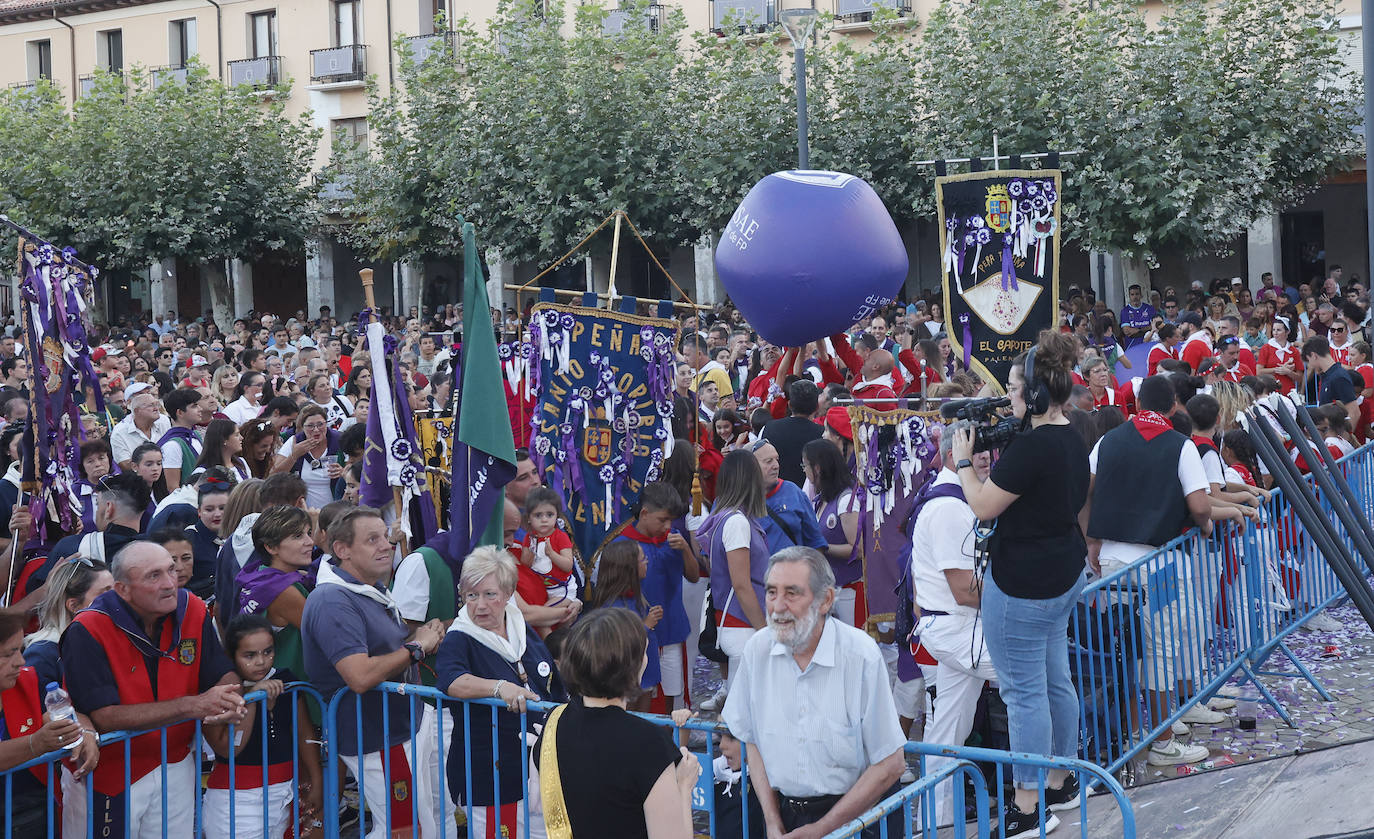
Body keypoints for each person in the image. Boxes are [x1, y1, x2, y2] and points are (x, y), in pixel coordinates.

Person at [949, 329, 1090, 837]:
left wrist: (964, 462)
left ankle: (1028, 805)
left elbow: (984, 505)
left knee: (1024, 694)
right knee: (1056, 681)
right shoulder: (1072, 435)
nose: (1005, 398)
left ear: (1033, 395)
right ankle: (1062, 780)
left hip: (1024, 586)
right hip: (1063, 575)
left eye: (1011, 389)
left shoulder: (1031, 449)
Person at [60, 541, 245, 837]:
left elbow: (220, 672)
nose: (170, 583)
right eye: (153, 576)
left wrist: (227, 697)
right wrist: (192, 706)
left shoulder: (192, 609)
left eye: (171, 570)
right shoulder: (88, 629)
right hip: (111, 772)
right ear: (122, 589)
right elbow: (104, 716)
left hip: (176, 762)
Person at [722, 547, 905, 838]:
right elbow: (751, 740)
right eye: (771, 593)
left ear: (826, 600)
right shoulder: (757, 650)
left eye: (792, 594)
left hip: (860, 816)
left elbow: (891, 764)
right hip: (783, 814)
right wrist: (772, 821)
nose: (778, 607)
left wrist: (823, 829)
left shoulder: (860, 655)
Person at [300, 507, 445, 839]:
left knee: (424, 823)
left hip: (404, 725)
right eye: (372, 540)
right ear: (342, 550)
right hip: (378, 735)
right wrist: (417, 647)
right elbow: (360, 676)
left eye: (385, 536)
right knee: (406, 830)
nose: (386, 545)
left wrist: (426, 635)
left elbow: (383, 649)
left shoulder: (368, 587)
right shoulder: (332, 600)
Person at [533, 608, 698, 839]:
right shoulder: (649, 742)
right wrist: (684, 788)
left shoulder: (554, 721)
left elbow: (540, 805)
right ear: (634, 665)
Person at [908, 421, 1003, 824]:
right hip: (957, 626)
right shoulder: (948, 507)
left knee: (947, 728)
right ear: (953, 452)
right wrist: (1025, 593)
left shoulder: (955, 497)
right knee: (1032, 682)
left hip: (955, 626)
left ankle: (935, 821)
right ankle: (1049, 787)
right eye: (977, 449)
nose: (985, 456)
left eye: (988, 449)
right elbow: (965, 589)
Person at [436, 546, 566, 838]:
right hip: (491, 773)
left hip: (536, 767)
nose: (480, 605)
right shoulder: (460, 638)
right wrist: (498, 688)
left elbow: (551, 682)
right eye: (471, 595)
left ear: (508, 594)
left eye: (489, 594)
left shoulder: (519, 625)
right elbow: (451, 680)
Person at [201, 614, 324, 839]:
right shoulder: (220, 691)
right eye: (249, 655)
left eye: (268, 651)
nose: (260, 661)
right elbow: (229, 748)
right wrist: (253, 698)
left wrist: (316, 781)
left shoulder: (288, 681)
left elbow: (304, 735)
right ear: (231, 655)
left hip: (285, 794)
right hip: (236, 801)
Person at [0, 612, 101, 836]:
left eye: (19, 649)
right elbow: (40, 740)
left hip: (34, 812)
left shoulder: (25, 681)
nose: (21, 661)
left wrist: (85, 732)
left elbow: (58, 720)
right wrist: (35, 744)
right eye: (9, 654)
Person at [613, 482, 699, 712]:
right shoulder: (622, 545)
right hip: (637, 636)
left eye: (671, 520)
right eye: (663, 520)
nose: (668, 526)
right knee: (636, 697)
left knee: (671, 698)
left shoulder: (675, 539)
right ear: (644, 513)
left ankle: (667, 743)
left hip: (671, 632)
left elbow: (693, 576)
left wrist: (686, 550)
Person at [696, 451, 771, 694]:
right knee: (742, 713)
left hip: (740, 625)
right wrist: (764, 630)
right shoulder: (737, 522)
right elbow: (741, 584)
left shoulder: (729, 518)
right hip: (743, 626)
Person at [234, 506, 318, 677]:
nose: (310, 542)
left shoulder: (263, 575)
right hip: (290, 688)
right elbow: (326, 635)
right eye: (297, 536)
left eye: (309, 533)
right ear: (271, 547)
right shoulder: (284, 591)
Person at [588, 540, 663, 710]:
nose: (647, 562)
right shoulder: (613, 607)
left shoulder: (635, 596)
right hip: (628, 677)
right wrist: (647, 625)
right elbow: (620, 644)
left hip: (646, 673)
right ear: (629, 568)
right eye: (643, 560)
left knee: (644, 722)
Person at [23, 558, 114, 685]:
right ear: (73, 606)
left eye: (116, 592)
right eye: (104, 595)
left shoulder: (113, 639)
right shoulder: (43, 656)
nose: (116, 601)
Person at [801, 438, 861, 626]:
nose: (804, 470)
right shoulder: (822, 499)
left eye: (805, 465)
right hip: (829, 588)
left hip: (847, 591)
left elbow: (857, 549)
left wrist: (821, 547)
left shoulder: (846, 500)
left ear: (817, 468)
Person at [751, 439, 828, 557]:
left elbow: (816, 542)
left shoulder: (793, 492)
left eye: (776, 460)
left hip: (795, 572)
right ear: (750, 466)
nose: (776, 466)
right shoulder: (739, 500)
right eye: (768, 461)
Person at [518, 486, 579, 608]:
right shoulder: (529, 538)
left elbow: (568, 566)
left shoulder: (560, 537)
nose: (544, 520)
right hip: (540, 589)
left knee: (545, 612)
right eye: (538, 515)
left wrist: (552, 554)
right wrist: (529, 555)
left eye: (549, 515)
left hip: (561, 590)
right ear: (529, 518)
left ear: (557, 516)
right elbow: (525, 564)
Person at [272, 405, 342, 509]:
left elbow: (357, 468)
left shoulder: (339, 440)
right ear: (302, 427)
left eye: (320, 424)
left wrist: (343, 472)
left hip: (335, 510)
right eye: (310, 426)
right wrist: (294, 456)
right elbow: (274, 475)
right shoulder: (295, 441)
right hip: (302, 511)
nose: (316, 430)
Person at [760, 380, 823, 486]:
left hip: (774, 495)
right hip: (811, 498)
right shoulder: (823, 434)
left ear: (789, 405)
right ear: (816, 407)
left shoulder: (768, 428)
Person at [1303, 335, 1361, 430]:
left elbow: (1354, 413)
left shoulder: (1338, 377)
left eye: (1309, 360)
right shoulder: (1328, 375)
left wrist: (1343, 440)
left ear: (1314, 356)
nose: (1310, 365)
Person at [110, 384, 170, 470]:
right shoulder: (120, 432)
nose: (156, 408)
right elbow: (124, 464)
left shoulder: (163, 420)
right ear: (136, 410)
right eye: (150, 405)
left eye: (156, 404)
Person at [158, 387, 206, 488]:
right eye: (194, 406)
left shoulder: (195, 435)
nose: (200, 409)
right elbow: (173, 488)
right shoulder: (172, 445)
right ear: (180, 413)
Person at [74, 438, 114, 532]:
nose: (97, 464)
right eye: (90, 461)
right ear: (82, 467)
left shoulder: (122, 486)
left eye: (101, 458)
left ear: (109, 459)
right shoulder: (75, 491)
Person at [193, 418, 252, 482]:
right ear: (223, 440)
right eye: (236, 435)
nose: (241, 438)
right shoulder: (202, 471)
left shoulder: (242, 463)